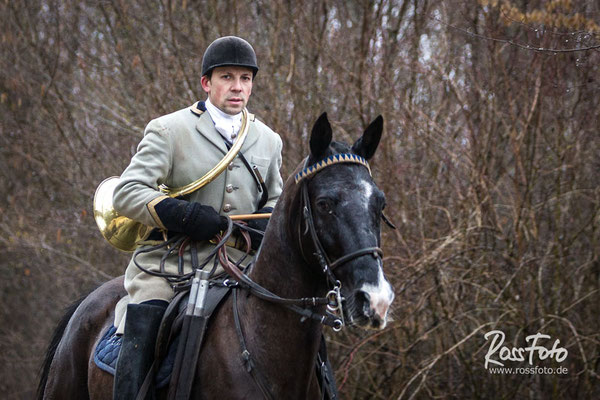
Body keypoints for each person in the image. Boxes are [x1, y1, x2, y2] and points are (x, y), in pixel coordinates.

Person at [111, 36, 283, 400]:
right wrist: (185, 215)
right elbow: (127, 193)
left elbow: (276, 203)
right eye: (227, 77)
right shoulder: (169, 130)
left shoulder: (269, 140)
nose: (237, 87)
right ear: (207, 83)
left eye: (245, 79)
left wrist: (265, 224)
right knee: (146, 328)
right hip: (169, 267)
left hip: (240, 267)